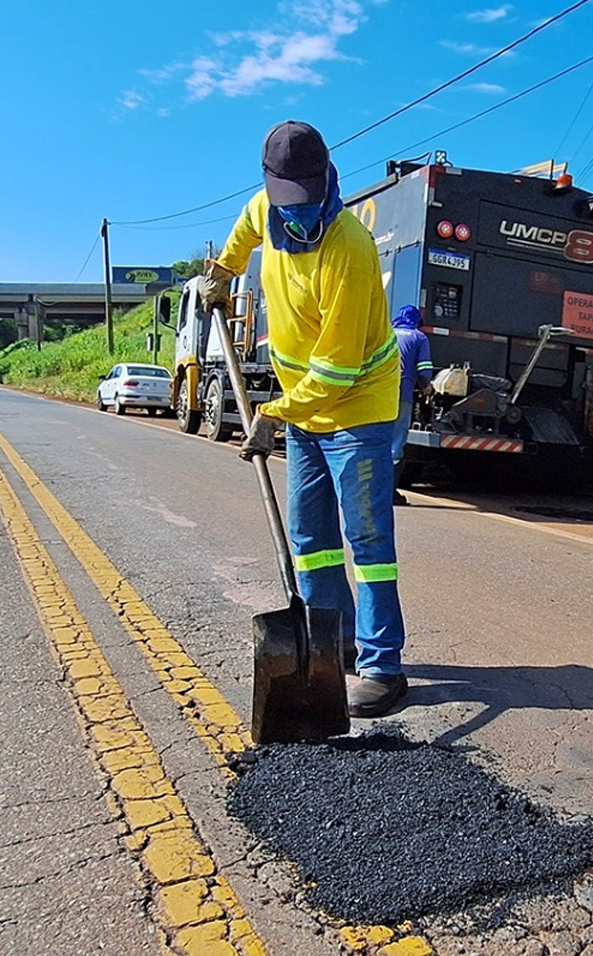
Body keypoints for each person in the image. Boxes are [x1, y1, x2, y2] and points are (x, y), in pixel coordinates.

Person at [202, 120, 409, 719]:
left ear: (327, 184)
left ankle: (383, 665)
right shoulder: (263, 209)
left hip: (356, 408)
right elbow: (242, 235)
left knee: (369, 542)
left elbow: (338, 371)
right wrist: (223, 273)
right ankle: (330, 643)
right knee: (312, 543)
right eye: (285, 202)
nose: (296, 216)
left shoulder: (350, 247)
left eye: (307, 202)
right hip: (303, 411)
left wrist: (273, 414)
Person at [390, 304, 433, 506]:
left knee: (377, 437)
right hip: (402, 393)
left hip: (378, 394)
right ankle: (390, 492)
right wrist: (427, 387)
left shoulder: (387, 333)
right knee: (396, 443)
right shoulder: (419, 337)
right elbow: (424, 369)